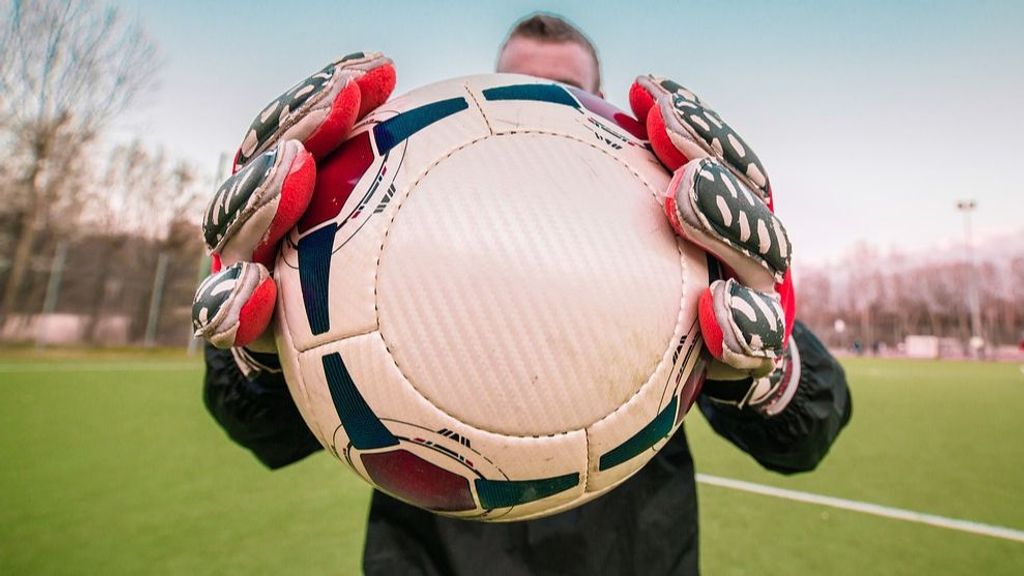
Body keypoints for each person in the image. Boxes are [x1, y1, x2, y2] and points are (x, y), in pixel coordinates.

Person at [197, 13, 851, 576]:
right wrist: (262, 356)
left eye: (561, 91)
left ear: (597, 105)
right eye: (520, 87)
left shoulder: (675, 231)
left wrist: (764, 372)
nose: (537, 108)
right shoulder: (390, 234)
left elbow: (805, 437)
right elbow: (265, 435)